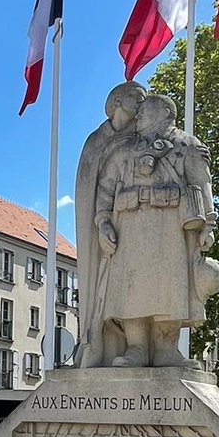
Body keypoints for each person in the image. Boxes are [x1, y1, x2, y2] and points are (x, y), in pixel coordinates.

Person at [90, 93, 219, 367]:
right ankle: (136, 349)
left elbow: (203, 184)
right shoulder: (124, 151)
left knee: (170, 287)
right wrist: (103, 222)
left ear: (164, 112)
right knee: (131, 288)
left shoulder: (188, 146)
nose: (137, 116)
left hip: (170, 231)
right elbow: (105, 190)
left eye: (145, 111)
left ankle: (166, 350)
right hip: (128, 229)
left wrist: (208, 226)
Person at [75, 81, 146, 367]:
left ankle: (138, 347)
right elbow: (87, 190)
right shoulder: (95, 141)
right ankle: (96, 344)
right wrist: (101, 222)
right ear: (118, 101)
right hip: (103, 229)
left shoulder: (142, 140)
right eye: (138, 99)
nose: (143, 106)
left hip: (134, 228)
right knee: (103, 288)